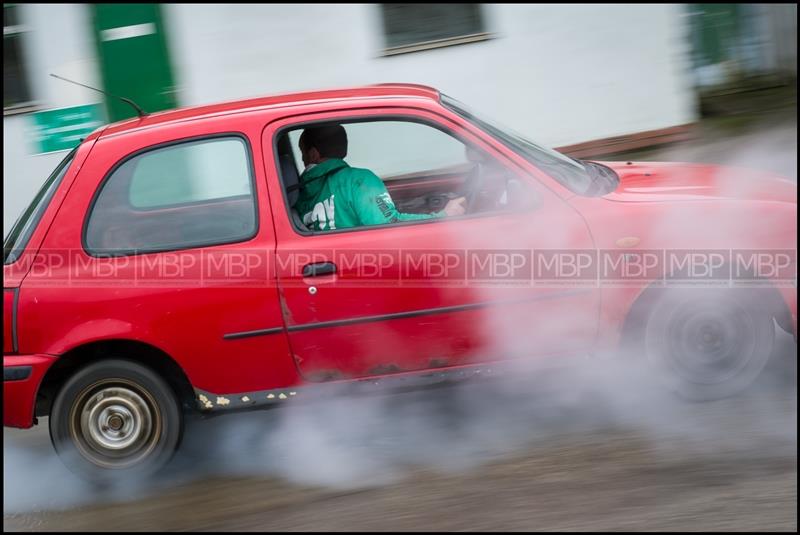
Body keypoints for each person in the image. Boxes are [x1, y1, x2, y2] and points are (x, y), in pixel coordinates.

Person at [292, 124, 467, 231]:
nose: (302, 158)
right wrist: (444, 216)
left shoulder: (296, 197)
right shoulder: (359, 181)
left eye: (302, 153)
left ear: (314, 154)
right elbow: (389, 224)